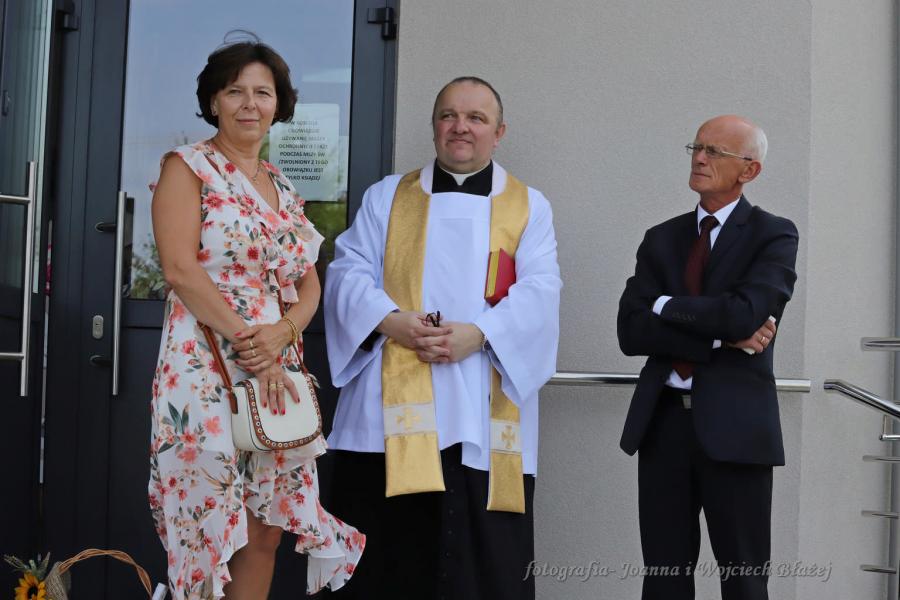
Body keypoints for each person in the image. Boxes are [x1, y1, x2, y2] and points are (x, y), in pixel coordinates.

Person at [322, 76, 561, 599]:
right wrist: (391, 320)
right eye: (449, 115)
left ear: (499, 132)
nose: (461, 127)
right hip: (388, 407)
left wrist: (480, 334)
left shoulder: (528, 205)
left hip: (481, 400)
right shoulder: (388, 196)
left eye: (476, 118)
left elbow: (541, 290)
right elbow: (347, 272)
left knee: (479, 566)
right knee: (387, 561)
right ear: (434, 125)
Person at [148, 40, 363, 600]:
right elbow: (179, 269)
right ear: (213, 101)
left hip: (274, 364)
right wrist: (255, 346)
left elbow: (309, 282)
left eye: (262, 93)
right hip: (205, 361)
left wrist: (284, 335)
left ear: (278, 105)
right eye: (235, 91)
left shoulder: (283, 187)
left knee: (266, 526)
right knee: (209, 524)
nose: (250, 104)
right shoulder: (187, 167)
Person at [617, 115, 799, 600]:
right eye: (696, 147)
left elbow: (745, 315)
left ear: (749, 170)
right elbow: (630, 330)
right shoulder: (661, 238)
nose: (699, 158)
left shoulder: (774, 235)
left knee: (744, 580)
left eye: (715, 151)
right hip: (663, 427)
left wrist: (664, 306)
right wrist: (718, 338)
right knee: (663, 579)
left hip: (737, 430)